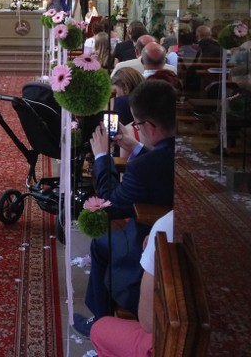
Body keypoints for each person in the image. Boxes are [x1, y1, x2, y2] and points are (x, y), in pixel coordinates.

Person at [73, 80, 176, 337]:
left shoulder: (144, 167)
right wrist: (137, 147)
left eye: (139, 125)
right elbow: (161, 165)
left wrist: (101, 157)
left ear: (150, 126)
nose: (138, 129)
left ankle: (102, 322)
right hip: (175, 225)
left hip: (154, 237)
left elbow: (112, 206)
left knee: (102, 243)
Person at [89, 210, 174, 356]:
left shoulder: (168, 226)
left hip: (167, 345)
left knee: (99, 329)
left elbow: (148, 322)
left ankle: (100, 315)